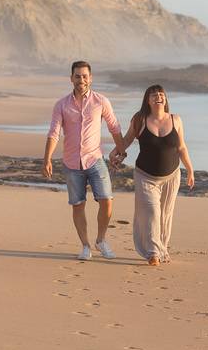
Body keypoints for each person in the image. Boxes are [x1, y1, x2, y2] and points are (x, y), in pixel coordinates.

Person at [43, 61, 126, 260]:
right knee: (78, 205)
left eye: (85, 76)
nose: (82, 80)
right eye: (78, 76)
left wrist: (121, 151)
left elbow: (114, 127)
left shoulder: (101, 101)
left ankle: (101, 240)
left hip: (95, 159)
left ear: (91, 78)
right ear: (71, 78)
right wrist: (47, 159)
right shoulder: (61, 105)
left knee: (106, 201)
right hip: (72, 163)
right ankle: (86, 246)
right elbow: (54, 133)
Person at [112, 84, 194, 266]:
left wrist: (189, 169)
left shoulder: (176, 120)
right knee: (152, 212)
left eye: (161, 93)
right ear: (147, 101)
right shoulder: (140, 119)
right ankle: (153, 253)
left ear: (165, 99)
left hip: (171, 177)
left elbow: (181, 147)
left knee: (165, 215)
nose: (158, 96)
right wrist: (115, 152)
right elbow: (126, 140)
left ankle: (161, 248)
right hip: (145, 176)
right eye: (153, 94)